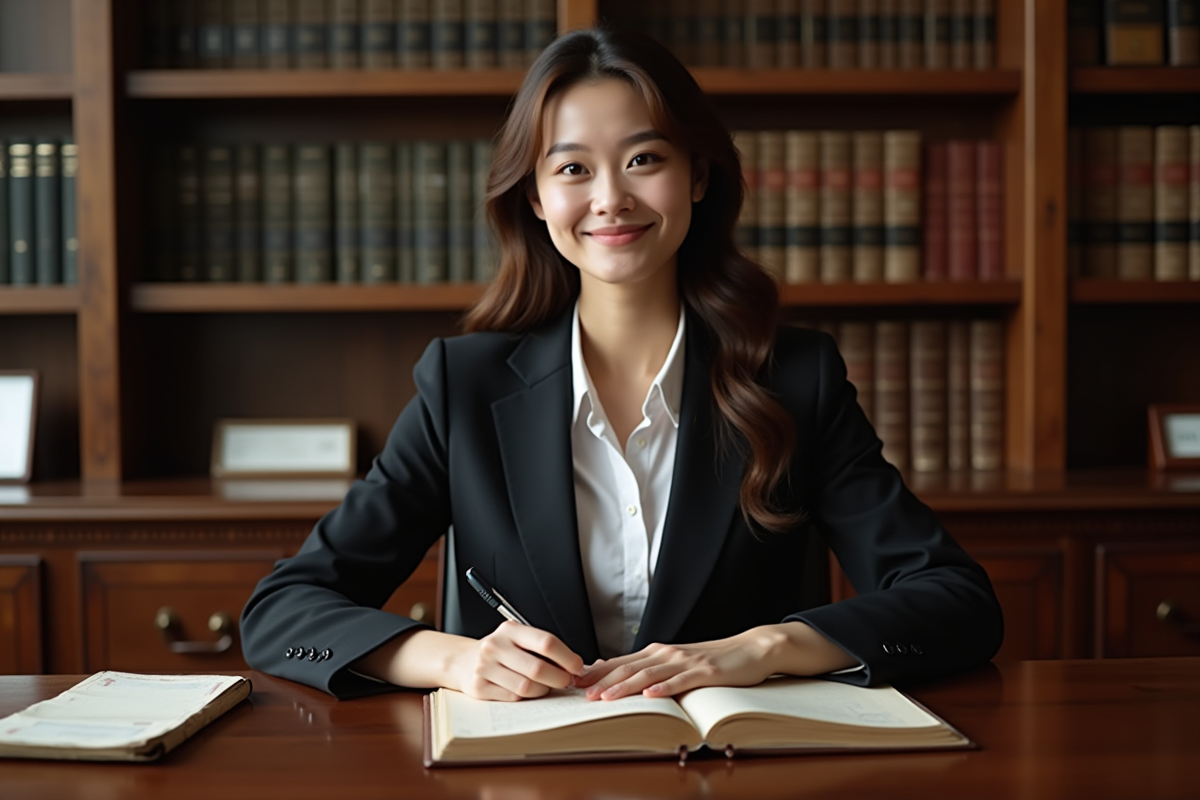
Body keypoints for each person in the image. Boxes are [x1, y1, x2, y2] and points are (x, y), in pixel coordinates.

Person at [240, 26, 1003, 702]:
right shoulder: (462, 386)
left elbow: (957, 600)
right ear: (535, 199)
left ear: (698, 178)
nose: (611, 198)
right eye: (572, 169)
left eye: (644, 159)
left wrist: (767, 648)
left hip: (735, 773)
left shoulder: (794, 378)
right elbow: (283, 609)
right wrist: (452, 659)